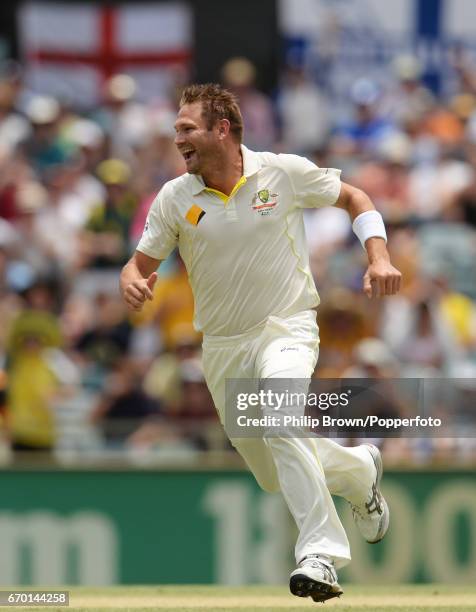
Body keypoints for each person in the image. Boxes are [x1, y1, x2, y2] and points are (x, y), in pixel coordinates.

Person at [120, 83, 401, 603]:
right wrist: (131, 279)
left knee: (279, 417)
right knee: (274, 474)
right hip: (224, 346)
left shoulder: (283, 171)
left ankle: (320, 553)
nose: (177, 137)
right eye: (176, 128)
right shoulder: (174, 197)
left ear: (221, 129)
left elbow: (355, 197)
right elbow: (140, 263)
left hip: (286, 326)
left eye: (187, 128)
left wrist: (379, 258)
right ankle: (358, 469)